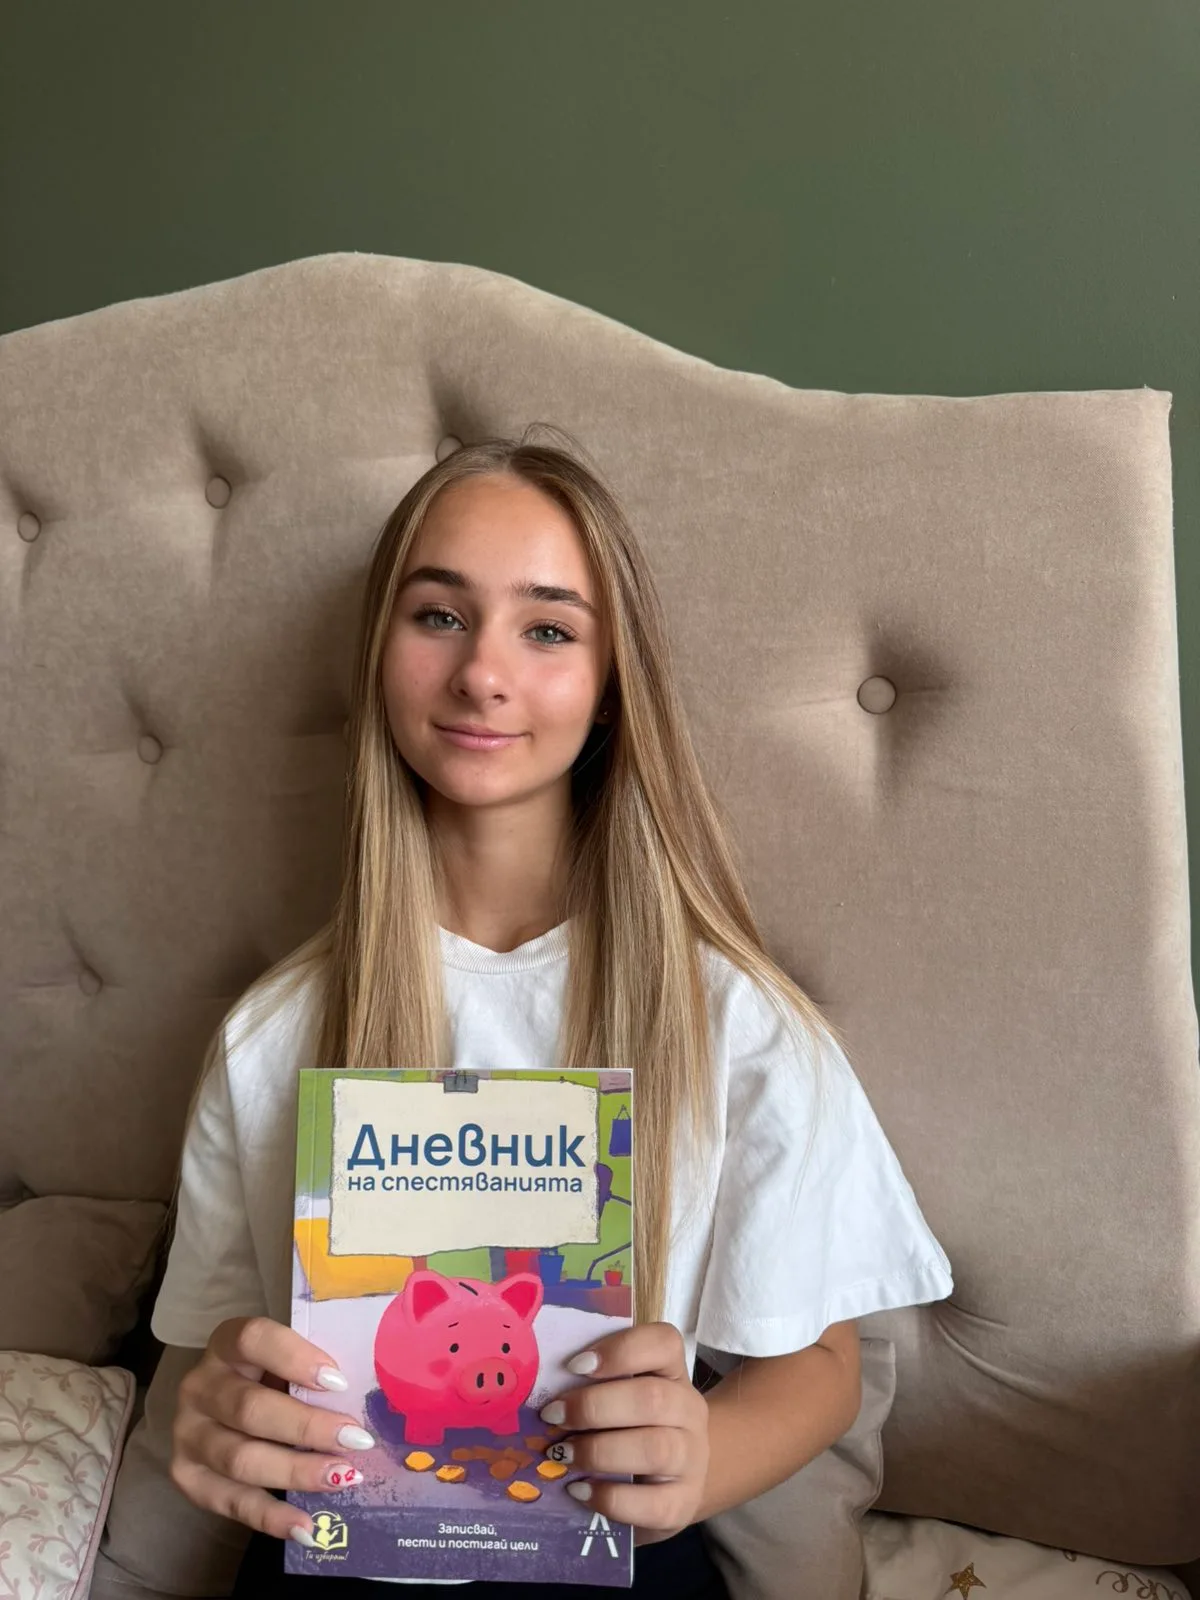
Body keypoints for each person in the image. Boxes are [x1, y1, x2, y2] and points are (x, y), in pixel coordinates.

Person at [154, 425, 954, 1598]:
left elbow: (825, 1364)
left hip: (612, 1549)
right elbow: (218, 1350)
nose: (484, 673)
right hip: (343, 1555)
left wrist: (704, 1456)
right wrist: (220, 1407)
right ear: (380, 653)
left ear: (610, 682)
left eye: (547, 629)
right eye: (439, 615)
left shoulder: (735, 1021)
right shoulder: (270, 1034)